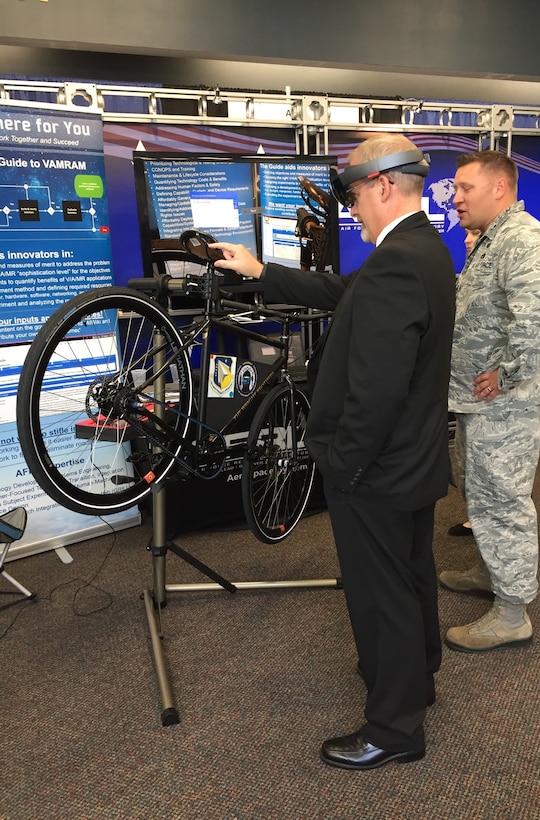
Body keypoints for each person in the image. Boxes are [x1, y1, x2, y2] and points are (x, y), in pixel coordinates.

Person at [211, 134, 456, 770]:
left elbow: (375, 389)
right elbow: (347, 291)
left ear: (383, 186)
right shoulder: (421, 250)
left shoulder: (397, 262)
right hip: (413, 459)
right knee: (411, 573)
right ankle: (416, 673)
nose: (351, 209)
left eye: (352, 195)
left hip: (374, 467)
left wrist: (341, 465)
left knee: (381, 593)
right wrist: (261, 271)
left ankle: (396, 729)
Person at [440, 150, 540, 652]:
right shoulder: (493, 239)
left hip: (503, 401)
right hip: (477, 399)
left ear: (499, 188)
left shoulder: (524, 237)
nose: (456, 198)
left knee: (503, 499)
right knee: (475, 486)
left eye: (466, 188)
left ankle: (513, 613)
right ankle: (493, 572)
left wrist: (507, 372)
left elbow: (538, 318)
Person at [448, 227, 481, 538]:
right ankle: (475, 519)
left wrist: (506, 372)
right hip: (465, 392)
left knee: (494, 476)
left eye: (473, 233)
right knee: (467, 461)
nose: (466, 239)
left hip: (490, 397)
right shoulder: (469, 273)